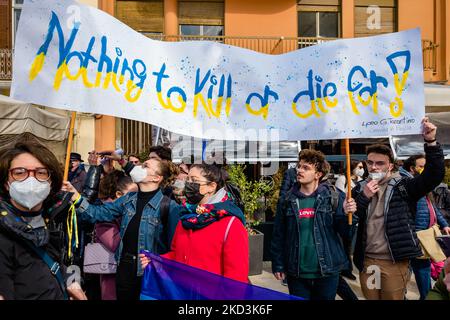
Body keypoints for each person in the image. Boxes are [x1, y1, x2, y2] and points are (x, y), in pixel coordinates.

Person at [352, 117, 445, 300]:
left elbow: (434, 175)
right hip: (368, 261)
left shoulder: (404, 186)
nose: (374, 167)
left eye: (380, 163)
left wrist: (431, 142)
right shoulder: (359, 188)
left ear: (390, 166)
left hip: (394, 262)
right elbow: (351, 219)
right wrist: (363, 197)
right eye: (370, 163)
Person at [63, 157, 181, 300]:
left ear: (156, 178)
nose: (138, 169)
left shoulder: (169, 206)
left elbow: (175, 249)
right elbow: (98, 213)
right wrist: (76, 197)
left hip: (149, 274)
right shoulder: (128, 199)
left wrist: (158, 261)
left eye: (145, 166)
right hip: (124, 271)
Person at [0, 141, 86, 300]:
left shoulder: (59, 216)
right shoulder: (4, 234)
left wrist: (73, 281)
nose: (31, 181)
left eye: (41, 173)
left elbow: (69, 259)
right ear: (6, 182)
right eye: (19, 172)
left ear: (51, 181)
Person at [140, 163, 249, 282]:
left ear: (211, 186)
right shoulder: (186, 218)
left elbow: (236, 277)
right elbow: (176, 255)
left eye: (194, 180)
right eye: (188, 179)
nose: (188, 184)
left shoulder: (231, 224)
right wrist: (157, 261)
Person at [271, 149, 356, 300]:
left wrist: (348, 215)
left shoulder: (334, 197)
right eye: (299, 166)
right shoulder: (287, 200)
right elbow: (278, 233)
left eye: (306, 168)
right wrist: (278, 263)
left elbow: (345, 233)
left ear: (318, 175)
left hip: (327, 271)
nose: (299, 170)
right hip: (296, 272)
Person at [399, 154, 450, 300]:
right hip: (416, 236)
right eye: (422, 166)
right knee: (418, 269)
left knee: (422, 269)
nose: (425, 169)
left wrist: (444, 224)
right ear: (412, 168)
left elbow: (432, 207)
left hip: (424, 235)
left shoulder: (421, 184)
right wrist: (414, 233)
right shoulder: (408, 184)